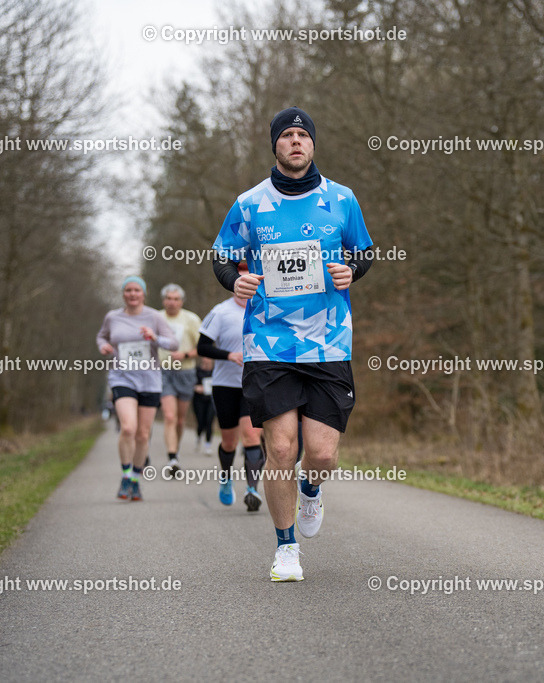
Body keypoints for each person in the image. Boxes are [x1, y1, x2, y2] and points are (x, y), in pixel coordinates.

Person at [212, 106, 374, 581]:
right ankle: (286, 548)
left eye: (304, 135)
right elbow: (223, 256)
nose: (296, 141)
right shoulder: (249, 204)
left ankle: (311, 488)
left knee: (320, 453)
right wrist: (234, 284)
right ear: (275, 145)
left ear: (314, 145)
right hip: (269, 343)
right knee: (279, 449)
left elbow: (364, 251)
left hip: (328, 342)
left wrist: (353, 269)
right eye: (287, 135)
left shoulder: (342, 199)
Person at [96, 277, 178, 501]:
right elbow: (101, 336)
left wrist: (155, 337)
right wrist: (103, 345)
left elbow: (174, 343)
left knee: (143, 435)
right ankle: (124, 474)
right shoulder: (113, 317)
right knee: (129, 428)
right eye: (128, 290)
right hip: (122, 377)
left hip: (150, 379)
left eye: (137, 290)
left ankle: (135, 478)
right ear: (123, 294)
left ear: (144, 293)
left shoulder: (154, 317)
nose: (132, 294)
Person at [198, 263, 265, 511]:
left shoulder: (265, 309)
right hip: (225, 384)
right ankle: (226, 478)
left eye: (252, 283)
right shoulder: (220, 312)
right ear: (235, 285)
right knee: (229, 441)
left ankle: (252, 490)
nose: (247, 287)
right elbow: (202, 347)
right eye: (242, 283)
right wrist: (229, 356)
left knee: (251, 435)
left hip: (253, 384)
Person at [158, 284, 202, 475]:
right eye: (169, 298)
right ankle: (172, 458)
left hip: (185, 372)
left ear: (181, 301)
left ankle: (175, 450)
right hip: (162, 371)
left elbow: (203, 348)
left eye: (176, 299)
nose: (172, 302)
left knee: (180, 419)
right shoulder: (156, 317)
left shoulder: (191, 319)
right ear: (163, 300)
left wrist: (185, 354)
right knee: (169, 416)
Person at [192, 356, 216, 455]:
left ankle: (208, 445)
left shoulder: (215, 371)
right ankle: (198, 437)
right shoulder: (196, 370)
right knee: (200, 421)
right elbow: (190, 383)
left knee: (209, 421)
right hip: (199, 399)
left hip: (211, 400)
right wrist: (196, 388)